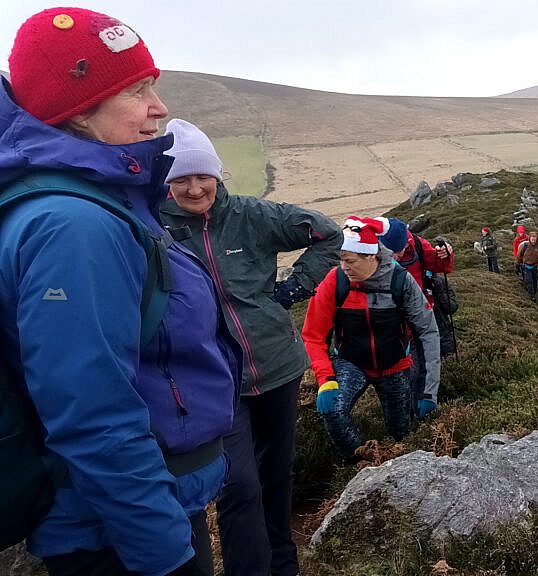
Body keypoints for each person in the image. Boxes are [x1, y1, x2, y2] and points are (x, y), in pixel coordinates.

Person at [0, 8, 237, 576]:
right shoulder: (74, 226)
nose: (159, 108)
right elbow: (92, 414)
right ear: (78, 109)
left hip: (134, 509)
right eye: (136, 90)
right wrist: (164, 557)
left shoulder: (100, 201)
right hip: (116, 531)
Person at [159, 119, 342, 576]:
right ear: (167, 183)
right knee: (239, 485)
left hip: (278, 367)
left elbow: (326, 234)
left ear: (218, 176)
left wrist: (293, 288)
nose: (195, 187)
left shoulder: (248, 215)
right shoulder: (156, 228)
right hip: (217, 380)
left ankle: (284, 564)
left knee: (277, 476)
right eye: (181, 178)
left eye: (204, 175)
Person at [302, 217, 441, 461]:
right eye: (341, 259)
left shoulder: (400, 281)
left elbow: (427, 331)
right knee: (334, 411)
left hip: (395, 366)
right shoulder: (336, 282)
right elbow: (313, 336)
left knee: (401, 433)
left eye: (350, 260)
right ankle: (360, 464)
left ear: (370, 256)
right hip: (350, 362)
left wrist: (429, 392)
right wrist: (325, 379)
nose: (343, 266)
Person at [378, 217, 455, 412]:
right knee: (409, 369)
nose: (399, 254)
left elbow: (440, 266)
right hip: (393, 322)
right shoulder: (369, 255)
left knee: (425, 361)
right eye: (394, 252)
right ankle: (411, 409)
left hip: (421, 314)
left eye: (402, 248)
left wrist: (445, 254)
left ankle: (422, 405)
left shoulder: (418, 245)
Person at [515, 231, 538, 302]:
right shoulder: (524, 246)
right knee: (529, 281)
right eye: (532, 239)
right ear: (529, 239)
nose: (533, 241)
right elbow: (519, 256)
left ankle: (534, 291)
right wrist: (517, 265)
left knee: (535, 280)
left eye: (535, 240)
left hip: (534, 267)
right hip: (526, 267)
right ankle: (532, 295)